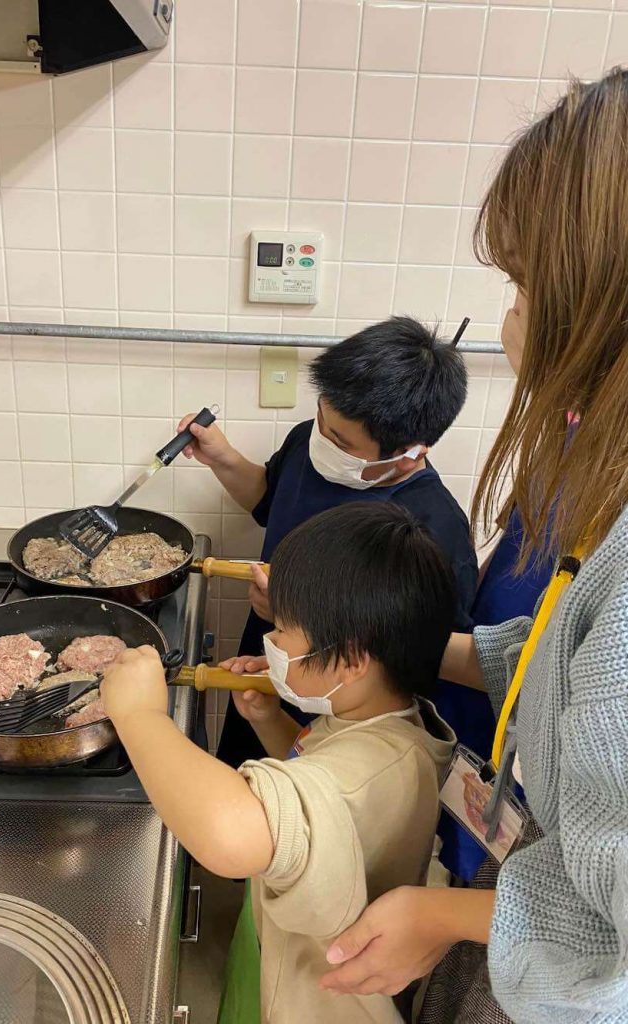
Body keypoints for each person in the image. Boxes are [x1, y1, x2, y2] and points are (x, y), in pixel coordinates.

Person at [319, 68, 628, 1024]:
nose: (513, 320)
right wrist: (406, 650)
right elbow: (565, 664)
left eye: (528, 285)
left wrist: (448, 915)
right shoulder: (601, 478)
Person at [100, 502, 457, 1024]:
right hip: (284, 949)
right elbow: (325, 786)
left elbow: (233, 833)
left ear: (353, 659)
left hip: (317, 1002)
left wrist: (141, 716)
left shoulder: (377, 768)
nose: (272, 644)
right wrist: (272, 722)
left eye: (285, 630)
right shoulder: (381, 719)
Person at [177, 316, 477, 767]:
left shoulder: (433, 532)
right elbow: (268, 500)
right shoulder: (310, 441)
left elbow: (420, 664)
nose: (322, 439)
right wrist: (223, 459)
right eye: (321, 415)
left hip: (342, 734)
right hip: (263, 678)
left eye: (340, 439)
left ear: (413, 451)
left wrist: (297, 614)